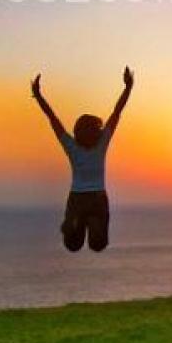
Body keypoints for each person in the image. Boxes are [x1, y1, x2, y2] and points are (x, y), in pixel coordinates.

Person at [31, 67, 134, 253]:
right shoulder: (101, 143)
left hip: (77, 198)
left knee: (72, 245)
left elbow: (52, 119)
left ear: (77, 132)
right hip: (97, 197)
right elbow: (117, 112)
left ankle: (75, 222)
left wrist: (38, 95)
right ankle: (92, 221)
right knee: (98, 245)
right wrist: (128, 87)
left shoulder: (72, 146)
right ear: (97, 131)